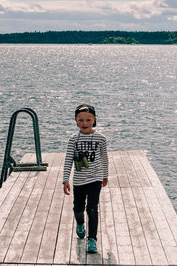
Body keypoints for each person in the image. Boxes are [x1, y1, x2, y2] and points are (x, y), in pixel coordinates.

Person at [62, 104, 108, 253]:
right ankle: (80, 224)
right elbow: (68, 159)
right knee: (78, 208)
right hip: (79, 180)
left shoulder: (101, 138)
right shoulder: (73, 139)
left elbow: (104, 158)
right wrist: (65, 179)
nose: (84, 123)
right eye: (81, 120)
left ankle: (92, 239)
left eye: (88, 120)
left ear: (94, 120)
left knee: (92, 209)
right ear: (76, 120)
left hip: (95, 178)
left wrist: (105, 175)